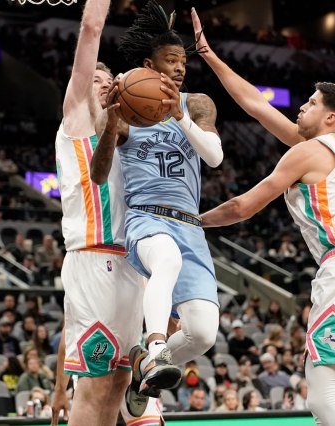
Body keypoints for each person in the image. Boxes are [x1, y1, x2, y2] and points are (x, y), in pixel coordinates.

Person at [189, 8, 335, 425]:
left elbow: (244, 206)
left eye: (311, 103)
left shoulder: (308, 152)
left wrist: (192, 220)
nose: (301, 106)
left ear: (330, 117)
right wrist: (209, 55)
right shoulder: (327, 148)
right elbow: (255, 105)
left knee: (323, 398)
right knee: (325, 397)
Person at [93, 0, 222, 406]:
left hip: (190, 225)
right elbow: (98, 175)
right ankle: (155, 348)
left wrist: (179, 117)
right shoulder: (124, 110)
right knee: (166, 259)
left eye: (183, 61)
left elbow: (214, 157)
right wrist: (110, 126)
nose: (180, 67)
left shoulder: (196, 103)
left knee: (203, 333)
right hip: (146, 217)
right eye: (171, 60)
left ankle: (142, 373)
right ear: (150, 65)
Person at [53, 0, 162, 425]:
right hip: (93, 257)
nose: (103, 84)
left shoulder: (123, 135)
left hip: (129, 265)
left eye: (108, 79)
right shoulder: (77, 118)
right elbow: (91, 29)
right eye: (95, 79)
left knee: (118, 382)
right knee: (94, 386)